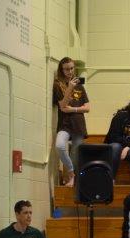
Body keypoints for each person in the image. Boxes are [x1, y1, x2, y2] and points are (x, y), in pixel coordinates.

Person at [52, 57, 89, 186]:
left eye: (72, 68)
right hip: (65, 124)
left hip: (78, 124)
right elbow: (62, 106)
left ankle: (73, 179)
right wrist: (70, 88)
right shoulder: (58, 85)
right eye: (67, 69)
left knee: (75, 153)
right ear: (61, 70)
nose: (70, 71)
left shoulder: (79, 86)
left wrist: (73, 109)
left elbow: (87, 108)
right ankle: (71, 172)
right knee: (60, 146)